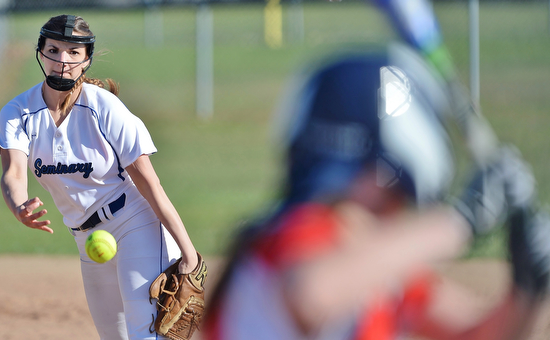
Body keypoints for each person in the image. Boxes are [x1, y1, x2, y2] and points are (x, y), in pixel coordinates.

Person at [203, 44, 549, 340]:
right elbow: (313, 292)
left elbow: (474, 333)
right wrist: (461, 219)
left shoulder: (370, 260)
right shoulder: (298, 237)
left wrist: (529, 288)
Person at [0, 14, 200, 340]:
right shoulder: (19, 112)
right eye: (54, 49)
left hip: (135, 223)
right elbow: (13, 172)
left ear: (87, 58)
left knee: (146, 334)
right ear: (40, 53)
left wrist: (189, 254)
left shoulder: (105, 109)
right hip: (86, 240)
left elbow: (150, 184)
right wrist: (19, 205)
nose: (63, 60)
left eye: (74, 52)